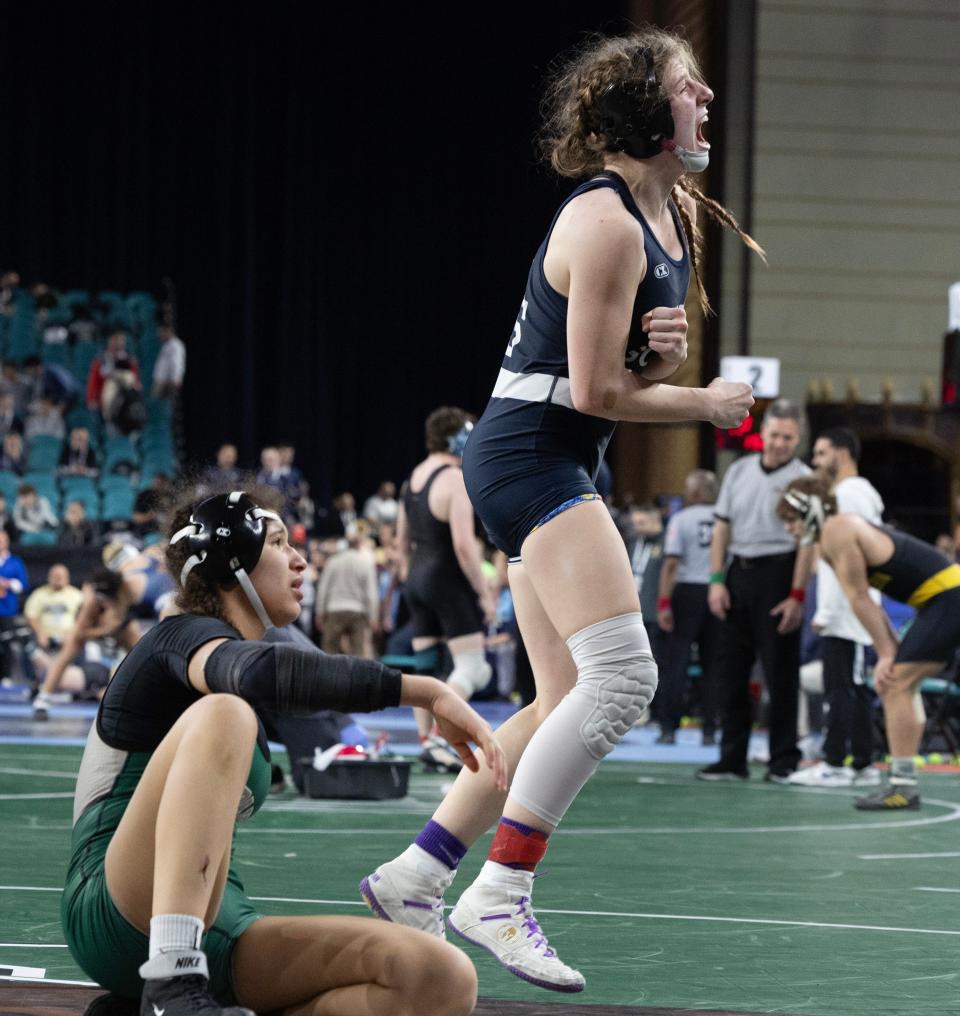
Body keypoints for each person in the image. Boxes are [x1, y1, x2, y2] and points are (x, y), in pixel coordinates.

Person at [361, 28, 757, 992]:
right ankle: (499, 892)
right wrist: (701, 400)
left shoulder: (666, 218)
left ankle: (418, 872)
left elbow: (616, 370)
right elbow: (588, 392)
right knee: (622, 681)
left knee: (552, 699)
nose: (704, 92)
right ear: (641, 109)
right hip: (534, 454)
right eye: (683, 83)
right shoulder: (610, 219)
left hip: (541, 451)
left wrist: (658, 359)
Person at [62, 488, 503, 1016]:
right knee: (226, 714)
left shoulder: (235, 664)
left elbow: (287, 683)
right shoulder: (177, 639)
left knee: (438, 977)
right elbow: (262, 672)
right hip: (113, 906)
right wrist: (426, 690)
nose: (299, 558)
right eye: (277, 543)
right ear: (232, 562)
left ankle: (158, 998)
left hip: (219, 923)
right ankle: (171, 988)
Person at [778, 476, 960, 810]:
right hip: (940, 600)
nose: (789, 529)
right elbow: (867, 602)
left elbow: (861, 597)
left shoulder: (836, 530)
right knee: (900, 684)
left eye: (791, 520)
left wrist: (888, 653)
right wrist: (888, 650)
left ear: (811, 511)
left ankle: (904, 787)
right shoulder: (832, 534)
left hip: (947, 598)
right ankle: (903, 782)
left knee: (896, 683)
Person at [699, 399, 813, 783]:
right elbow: (721, 529)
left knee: (780, 675)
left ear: (798, 440)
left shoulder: (806, 479)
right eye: (775, 435)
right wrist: (716, 581)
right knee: (730, 671)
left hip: (780, 574)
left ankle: (783, 760)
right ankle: (732, 759)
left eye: (788, 438)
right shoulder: (739, 470)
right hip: (738, 575)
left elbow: (808, 543)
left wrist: (797, 595)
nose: (780, 443)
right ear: (762, 433)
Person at [397, 407, 496, 771]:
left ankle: (428, 743)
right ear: (460, 438)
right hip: (446, 578)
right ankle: (440, 737)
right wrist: (484, 593)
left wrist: (406, 583)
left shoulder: (413, 479)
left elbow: (400, 542)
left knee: (427, 669)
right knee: (474, 670)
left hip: (417, 578)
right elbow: (464, 546)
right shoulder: (454, 478)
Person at [788, 428, 884, 788]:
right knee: (849, 686)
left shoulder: (850, 495)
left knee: (843, 687)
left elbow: (850, 559)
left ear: (842, 454)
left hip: (848, 608)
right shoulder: (841, 495)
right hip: (844, 606)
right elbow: (820, 555)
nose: (815, 461)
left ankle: (835, 762)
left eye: (821, 453)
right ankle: (860, 763)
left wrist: (829, 609)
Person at [655, 468, 721, 744]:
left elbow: (671, 563)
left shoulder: (681, 519)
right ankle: (709, 729)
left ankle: (669, 727)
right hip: (717, 590)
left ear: (694, 493)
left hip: (688, 592)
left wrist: (663, 603)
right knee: (713, 664)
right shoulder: (724, 518)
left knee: (677, 662)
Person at [32, 567, 141, 719]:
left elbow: (125, 621)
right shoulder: (91, 604)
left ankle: (149, 692)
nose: (105, 603)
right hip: (95, 626)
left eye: (107, 600)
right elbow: (80, 632)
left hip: (119, 625)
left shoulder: (127, 593)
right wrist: (103, 630)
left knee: (141, 652)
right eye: (102, 600)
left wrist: (113, 627)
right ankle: (43, 699)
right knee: (68, 651)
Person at [314, 522, 379, 657]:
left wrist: (320, 612)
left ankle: (327, 678)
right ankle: (357, 678)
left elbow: (323, 589)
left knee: (329, 654)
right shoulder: (365, 563)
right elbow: (371, 593)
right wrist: (373, 616)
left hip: (334, 610)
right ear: (360, 542)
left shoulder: (333, 561)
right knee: (358, 655)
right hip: (357, 611)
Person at [24, 563, 84, 686]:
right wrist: (40, 634)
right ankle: (34, 683)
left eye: (61, 576)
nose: (58, 579)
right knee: (29, 644)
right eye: (55, 576)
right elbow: (31, 616)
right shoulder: (39, 594)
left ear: (67, 578)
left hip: (69, 637)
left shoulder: (77, 595)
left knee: (81, 642)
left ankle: (79, 683)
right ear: (49, 577)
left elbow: (83, 619)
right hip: (45, 636)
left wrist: (72, 635)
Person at [0, 529, 28, 679]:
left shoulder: (15, 562)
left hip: (7, 610)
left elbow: (23, 584)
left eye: (2, 540)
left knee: (7, 643)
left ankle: (6, 676)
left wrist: (7, 583)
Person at [151, 322, 186, 400]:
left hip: (168, 382)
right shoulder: (166, 345)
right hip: (162, 381)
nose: (160, 335)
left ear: (169, 331)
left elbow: (177, 363)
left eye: (162, 332)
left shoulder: (175, 345)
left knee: (165, 405)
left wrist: (175, 379)